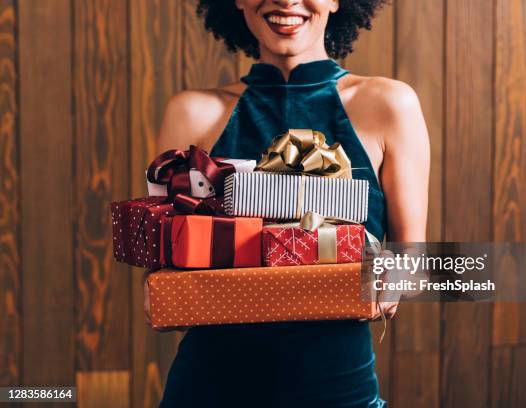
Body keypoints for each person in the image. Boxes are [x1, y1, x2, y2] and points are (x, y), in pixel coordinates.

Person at [152, 0, 429, 406]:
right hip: (208, 387)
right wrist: (162, 290)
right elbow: (167, 273)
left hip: (339, 389)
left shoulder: (390, 104)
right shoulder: (192, 113)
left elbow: (412, 265)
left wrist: (391, 278)